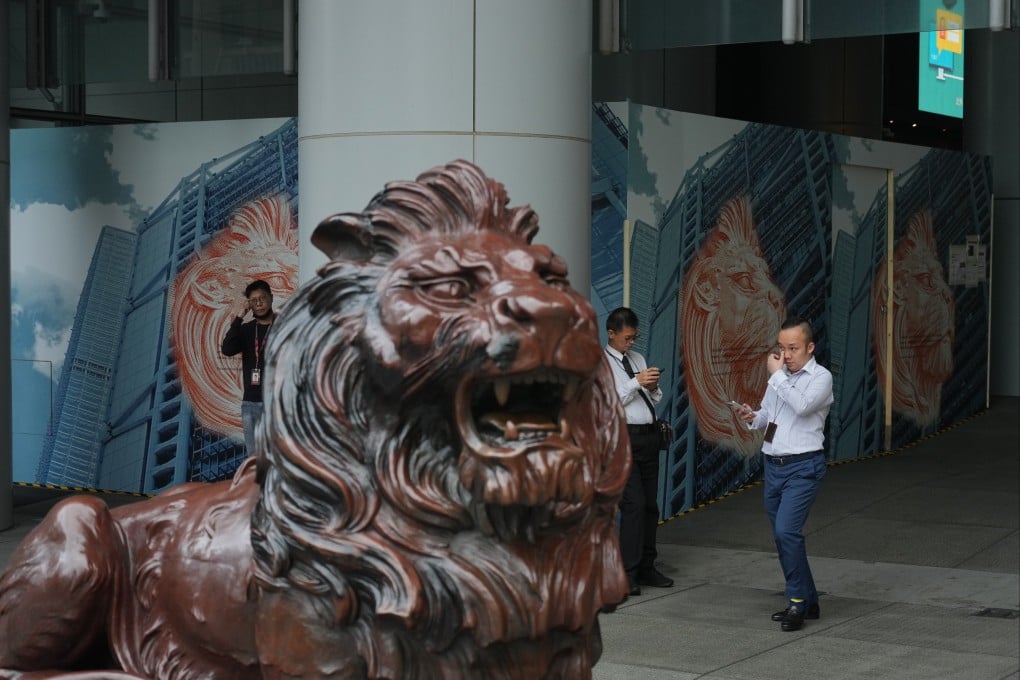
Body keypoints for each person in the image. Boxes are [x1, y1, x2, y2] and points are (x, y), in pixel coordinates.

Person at [737, 316, 833, 631]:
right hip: (773, 464)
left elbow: (803, 406)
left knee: (786, 532)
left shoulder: (821, 377)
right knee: (784, 538)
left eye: (793, 348)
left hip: (803, 466)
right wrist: (753, 416)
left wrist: (777, 377)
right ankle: (810, 601)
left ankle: (796, 602)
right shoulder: (779, 379)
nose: (786, 354)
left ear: (810, 347)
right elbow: (770, 415)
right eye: (782, 347)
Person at [604, 307, 674, 597]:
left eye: (635, 338)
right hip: (621, 438)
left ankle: (647, 565)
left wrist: (653, 385)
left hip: (647, 437)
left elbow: (652, 399)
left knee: (649, 505)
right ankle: (627, 572)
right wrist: (636, 382)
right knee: (632, 505)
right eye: (627, 338)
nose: (631, 343)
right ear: (611, 334)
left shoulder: (637, 359)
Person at [221, 279, 277, 455]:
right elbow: (228, 349)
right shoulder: (246, 330)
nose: (259, 303)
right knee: (256, 462)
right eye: (253, 300)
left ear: (271, 298)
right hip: (251, 404)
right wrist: (239, 317)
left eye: (262, 298)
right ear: (250, 304)